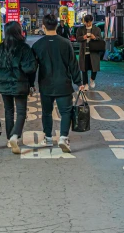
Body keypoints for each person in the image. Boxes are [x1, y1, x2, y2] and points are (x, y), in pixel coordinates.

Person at [32, 13, 85, 153]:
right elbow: (73, 64)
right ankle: (63, 137)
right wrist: (78, 82)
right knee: (66, 112)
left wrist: (31, 84)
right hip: (64, 83)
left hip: (45, 84)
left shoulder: (37, 45)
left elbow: (33, 68)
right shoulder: (66, 43)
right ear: (57, 25)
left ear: (43, 26)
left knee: (46, 112)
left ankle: (48, 138)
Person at [0, 21, 37, 154]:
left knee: (8, 111)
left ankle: (9, 139)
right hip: (20, 85)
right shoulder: (24, 48)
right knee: (21, 112)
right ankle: (15, 136)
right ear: (18, 32)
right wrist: (31, 84)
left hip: (3, 87)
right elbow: (30, 68)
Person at [76, 14, 103, 89]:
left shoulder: (97, 29)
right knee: (84, 69)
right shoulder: (80, 29)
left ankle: (92, 79)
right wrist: (83, 37)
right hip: (84, 52)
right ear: (84, 22)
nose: (88, 24)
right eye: (86, 22)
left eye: (89, 22)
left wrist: (95, 37)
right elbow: (77, 38)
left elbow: (100, 39)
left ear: (92, 21)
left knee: (94, 67)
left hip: (93, 52)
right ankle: (85, 84)